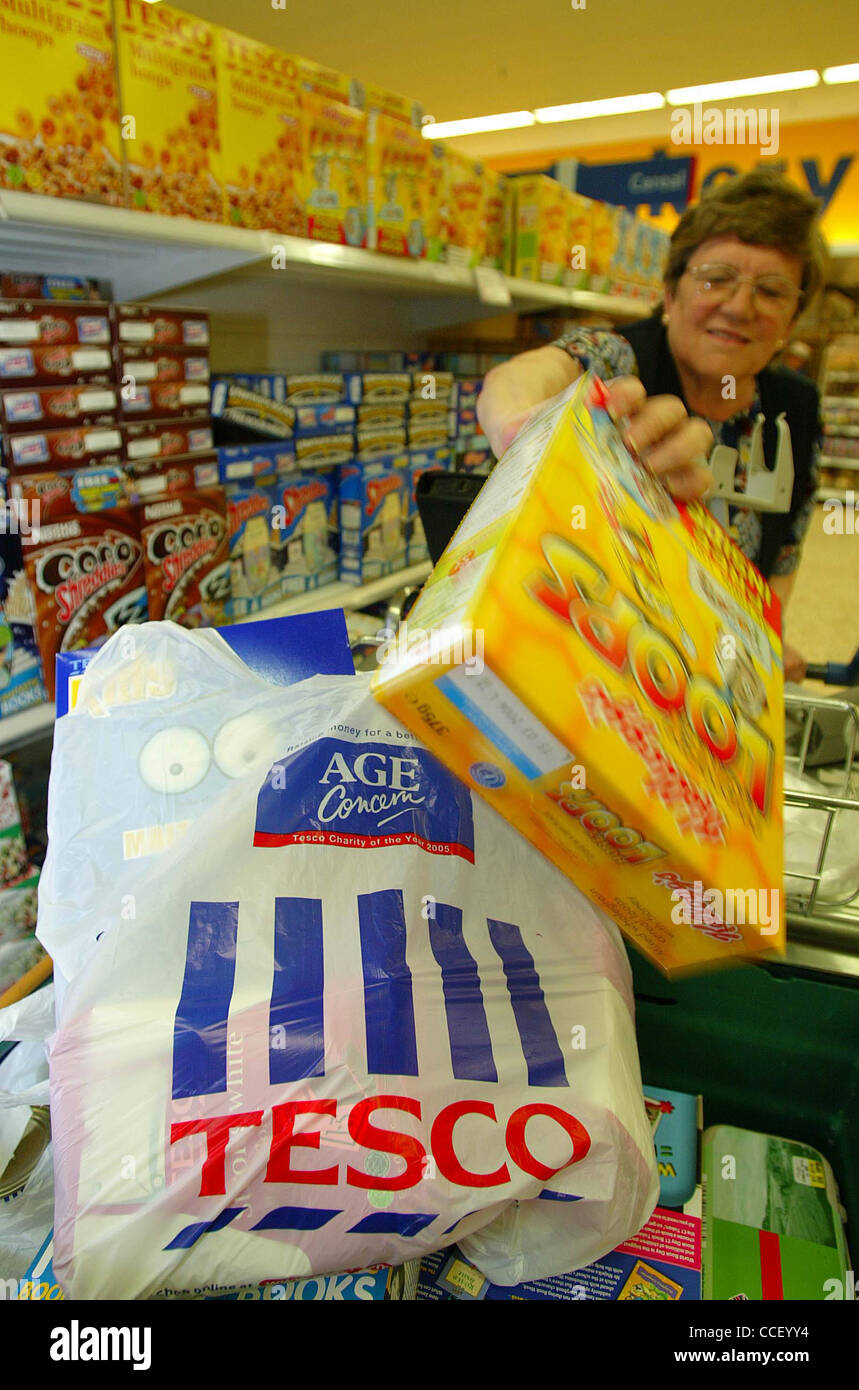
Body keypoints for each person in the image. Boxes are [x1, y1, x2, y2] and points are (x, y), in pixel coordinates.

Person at [477, 170, 827, 683]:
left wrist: (759, 648)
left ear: (792, 321)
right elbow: (528, 376)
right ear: (670, 293)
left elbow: (784, 550)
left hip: (704, 689)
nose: (738, 306)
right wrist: (519, 423)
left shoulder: (795, 406)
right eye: (716, 278)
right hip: (585, 655)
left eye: (771, 292)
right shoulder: (624, 359)